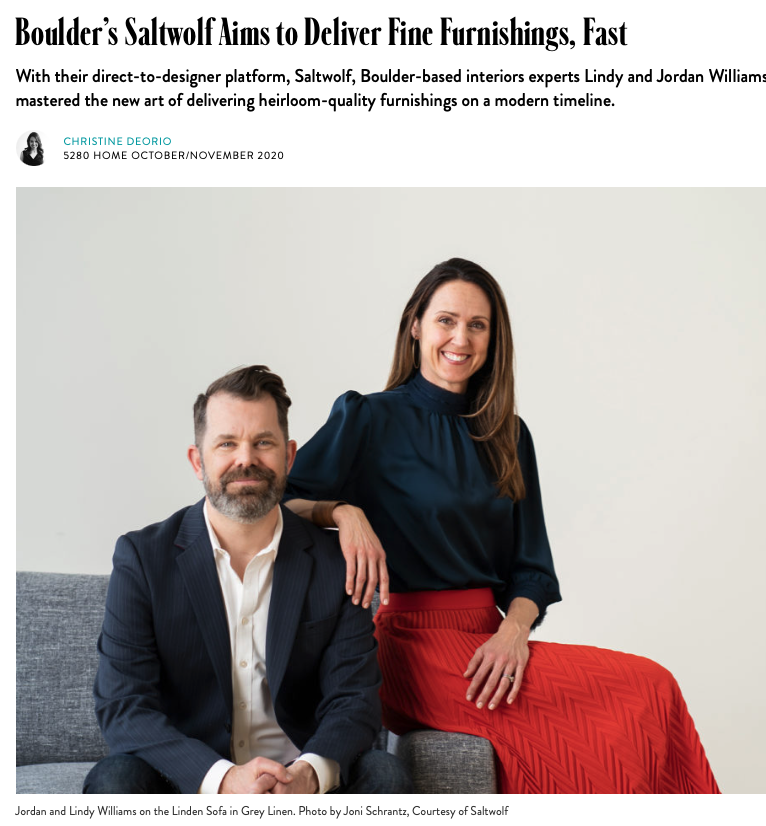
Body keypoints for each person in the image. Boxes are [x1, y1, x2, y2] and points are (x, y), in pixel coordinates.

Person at [285, 258, 720, 794]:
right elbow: (277, 505)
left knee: (652, 688)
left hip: (492, 643)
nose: (460, 338)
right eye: (446, 320)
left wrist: (513, 634)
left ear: (494, 338)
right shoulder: (368, 418)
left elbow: (532, 571)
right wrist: (341, 512)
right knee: (643, 692)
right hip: (410, 647)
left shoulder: (508, 435)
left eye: (477, 325)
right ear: (416, 325)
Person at [86, 366, 412, 794]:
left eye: (263, 443)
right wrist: (223, 780)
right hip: (192, 782)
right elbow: (124, 705)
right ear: (197, 460)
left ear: (289, 456)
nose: (246, 459)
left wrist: (309, 775)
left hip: (299, 780)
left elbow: (353, 700)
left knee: (384, 773)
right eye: (227, 443)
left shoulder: (335, 563)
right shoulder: (142, 559)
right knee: (116, 779)